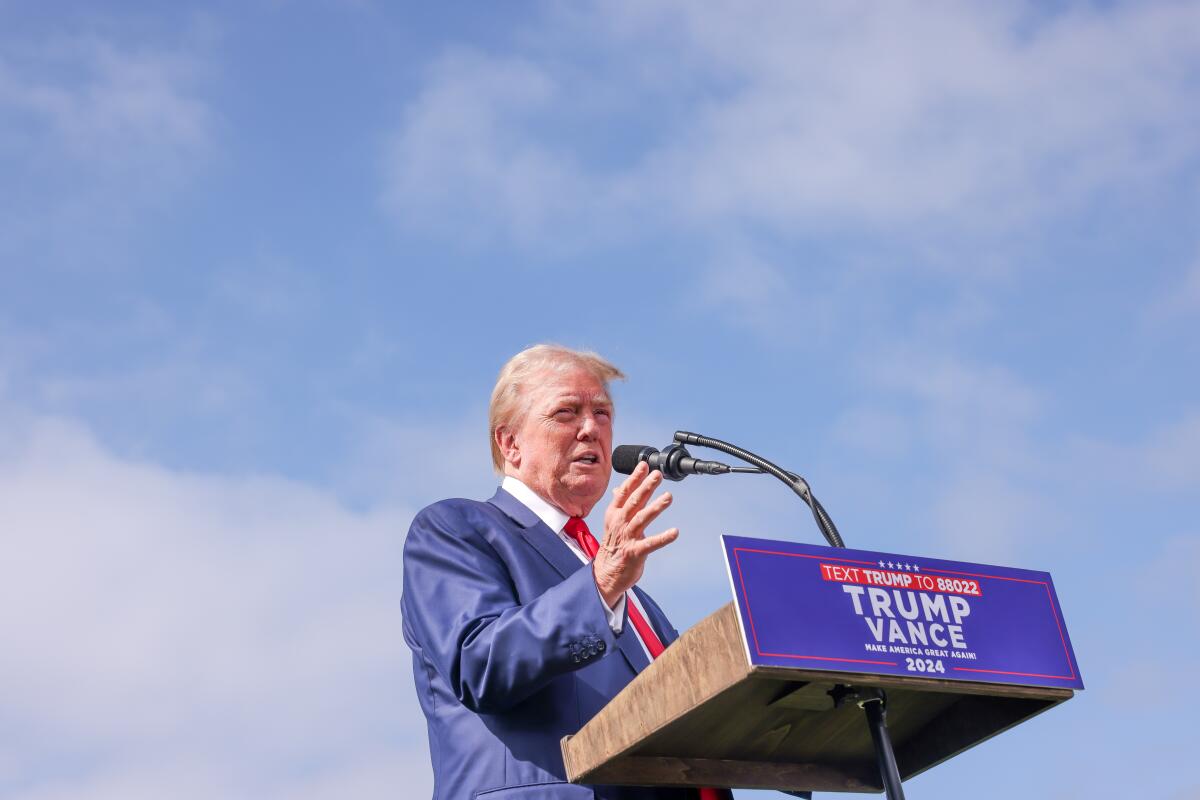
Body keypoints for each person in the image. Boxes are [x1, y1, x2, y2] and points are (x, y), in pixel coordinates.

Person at [402, 344, 716, 800]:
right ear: (509, 442)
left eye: (602, 413)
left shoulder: (629, 590)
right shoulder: (455, 530)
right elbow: (480, 663)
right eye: (566, 412)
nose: (591, 428)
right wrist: (602, 583)